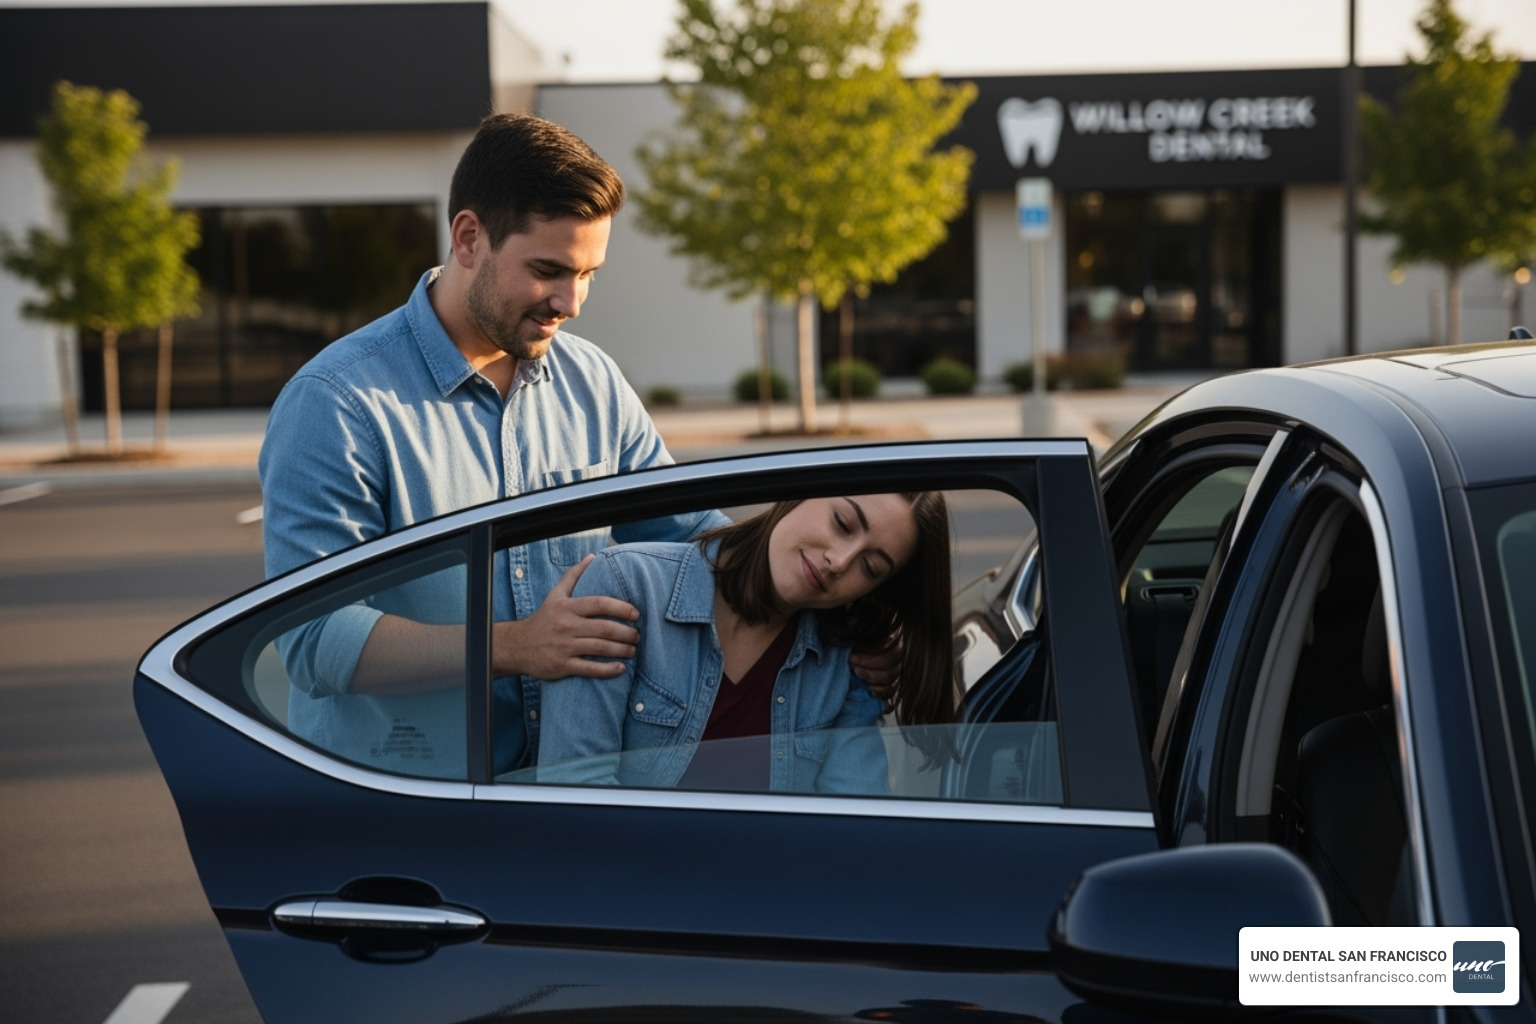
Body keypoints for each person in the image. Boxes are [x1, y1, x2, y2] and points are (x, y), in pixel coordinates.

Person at [259, 113, 724, 776]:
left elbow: (694, 535)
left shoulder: (592, 381)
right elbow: (315, 641)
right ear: (469, 237)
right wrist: (512, 646)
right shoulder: (338, 402)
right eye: (549, 270)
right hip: (401, 812)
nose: (573, 301)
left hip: (570, 789)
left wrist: (839, 613)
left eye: (590, 273)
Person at [535, 493, 956, 795]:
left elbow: (852, 829)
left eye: (869, 566)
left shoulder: (846, 662)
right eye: (842, 523)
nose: (839, 561)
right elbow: (575, 799)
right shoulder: (628, 587)